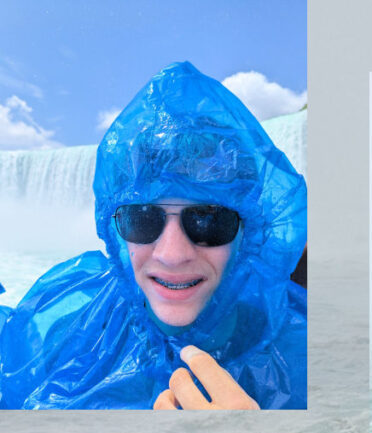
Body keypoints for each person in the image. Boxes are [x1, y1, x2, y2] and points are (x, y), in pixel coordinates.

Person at [0, 62, 307, 410]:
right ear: (117, 233)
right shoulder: (69, 322)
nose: (172, 254)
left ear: (249, 235)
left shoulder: (308, 360)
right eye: (142, 219)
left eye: (209, 220)